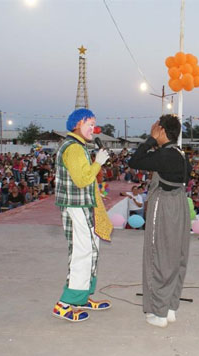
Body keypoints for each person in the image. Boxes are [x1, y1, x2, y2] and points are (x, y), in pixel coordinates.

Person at [128, 115, 192, 328]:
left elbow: (134, 161)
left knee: (158, 255)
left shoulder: (164, 154)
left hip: (163, 206)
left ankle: (159, 312)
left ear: (162, 130)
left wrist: (150, 140)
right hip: (180, 205)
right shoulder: (181, 154)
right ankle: (170, 307)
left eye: (156, 127)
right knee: (176, 255)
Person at [52, 108, 113, 323]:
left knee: (91, 249)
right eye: (90, 123)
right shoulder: (74, 149)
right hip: (76, 207)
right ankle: (65, 303)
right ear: (78, 123)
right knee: (83, 251)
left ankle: (82, 296)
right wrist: (98, 163)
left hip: (83, 205)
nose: (93, 128)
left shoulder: (77, 146)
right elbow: (82, 179)